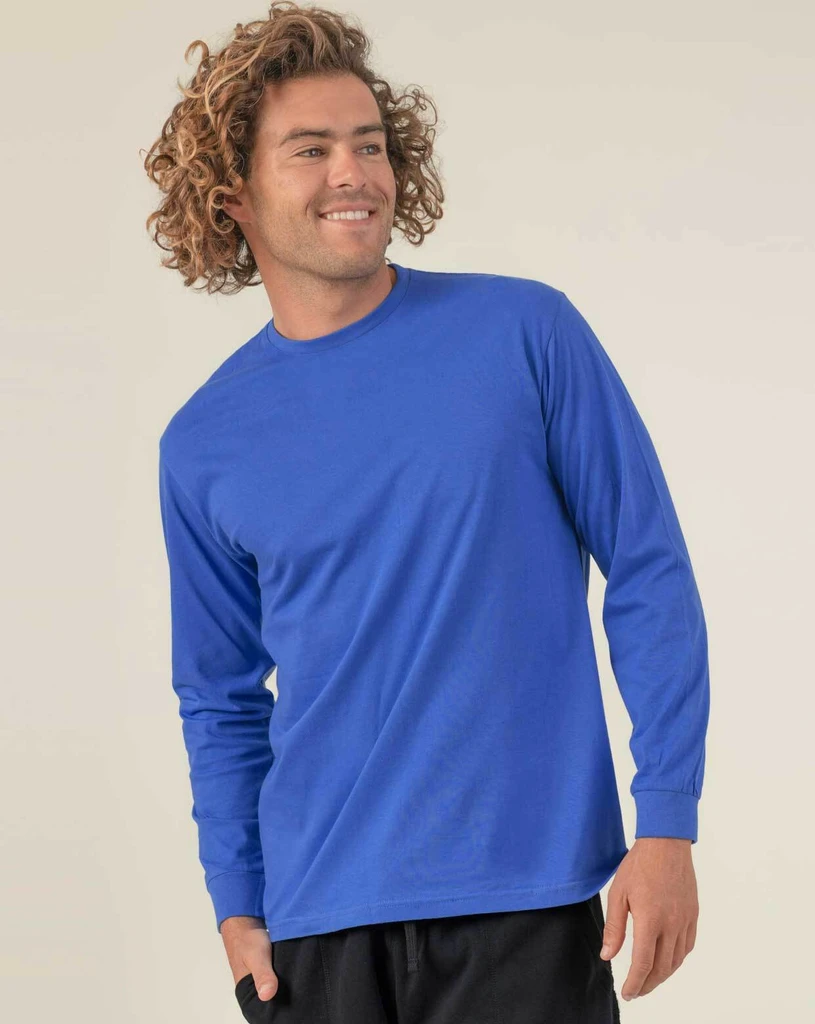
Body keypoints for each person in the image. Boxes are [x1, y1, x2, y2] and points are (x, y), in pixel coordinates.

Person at [146, 3, 710, 1021]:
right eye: (310, 150)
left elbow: (646, 564)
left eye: (369, 144)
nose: (352, 173)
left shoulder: (524, 333)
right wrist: (236, 902)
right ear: (231, 196)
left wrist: (666, 818)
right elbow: (219, 697)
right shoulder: (203, 441)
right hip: (313, 933)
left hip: (524, 903)